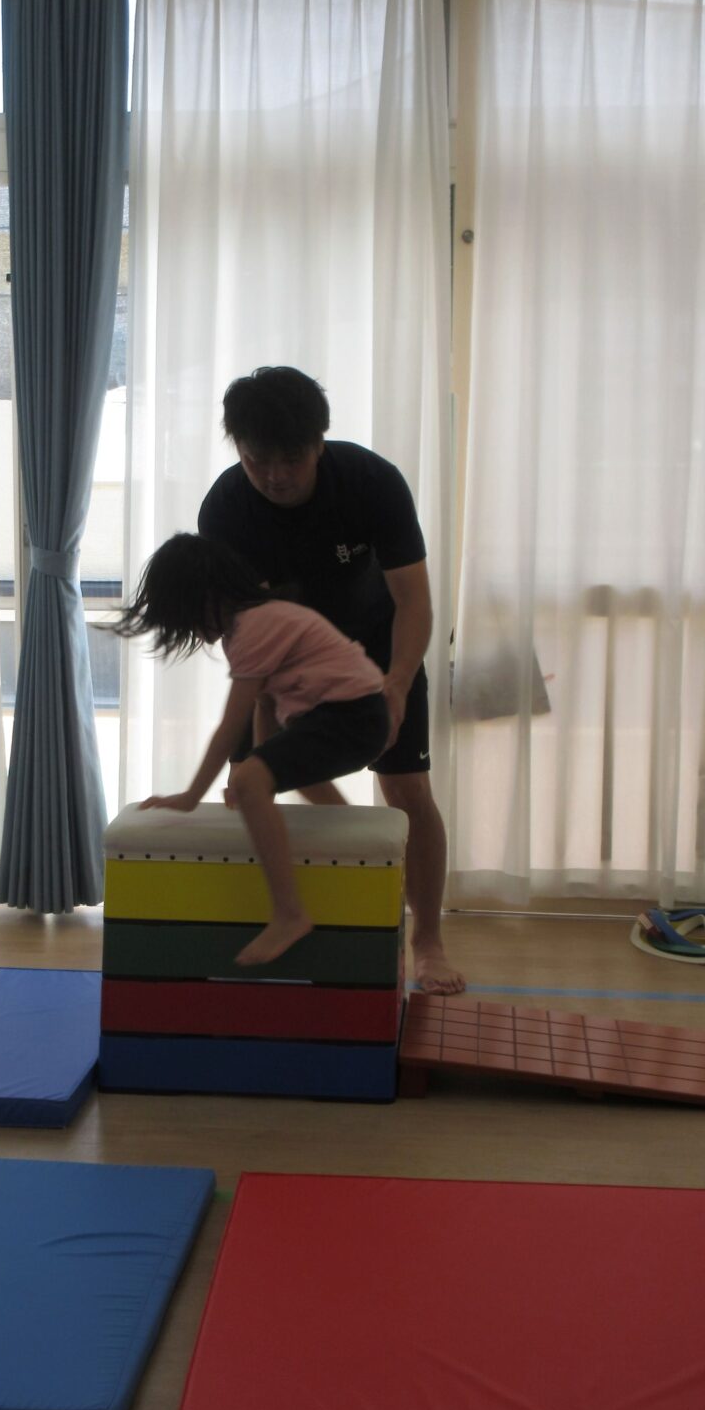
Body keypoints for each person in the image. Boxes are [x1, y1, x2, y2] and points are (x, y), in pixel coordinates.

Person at [199, 366, 465, 994]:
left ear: (319, 443)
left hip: (380, 647)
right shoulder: (227, 510)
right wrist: (261, 730)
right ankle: (361, 860)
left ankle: (427, 941)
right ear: (238, 448)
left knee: (407, 787)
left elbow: (414, 601)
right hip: (289, 659)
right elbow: (247, 634)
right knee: (260, 777)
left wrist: (397, 683)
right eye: (257, 459)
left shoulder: (371, 482)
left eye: (291, 459)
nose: (275, 476)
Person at [117, 533, 390, 967]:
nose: (192, 631)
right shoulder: (249, 627)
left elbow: (231, 726)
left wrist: (193, 796)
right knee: (270, 777)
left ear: (210, 595)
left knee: (251, 777)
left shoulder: (254, 626)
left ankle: (290, 914)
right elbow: (265, 705)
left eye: (189, 617)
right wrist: (263, 775)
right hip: (348, 716)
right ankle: (353, 851)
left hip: (353, 716)